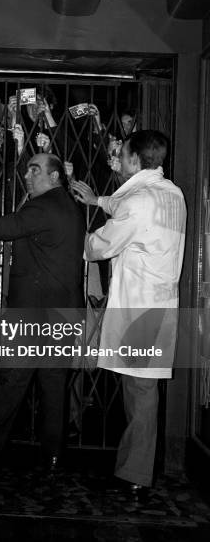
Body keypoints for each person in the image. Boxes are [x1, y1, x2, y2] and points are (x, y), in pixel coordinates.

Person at [0, 153, 85, 469]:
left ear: (54, 177)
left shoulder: (44, 206)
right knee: (53, 386)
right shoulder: (69, 207)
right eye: (26, 169)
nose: (27, 175)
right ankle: (52, 455)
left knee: (12, 379)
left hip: (35, 313)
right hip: (62, 312)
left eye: (35, 170)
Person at [71, 130, 186, 498]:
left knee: (139, 391)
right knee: (139, 387)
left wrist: (77, 238)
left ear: (135, 161)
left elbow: (103, 244)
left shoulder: (140, 202)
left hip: (139, 305)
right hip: (158, 303)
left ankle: (136, 473)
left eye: (121, 156)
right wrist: (99, 199)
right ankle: (132, 467)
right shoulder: (172, 194)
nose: (117, 161)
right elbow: (131, 206)